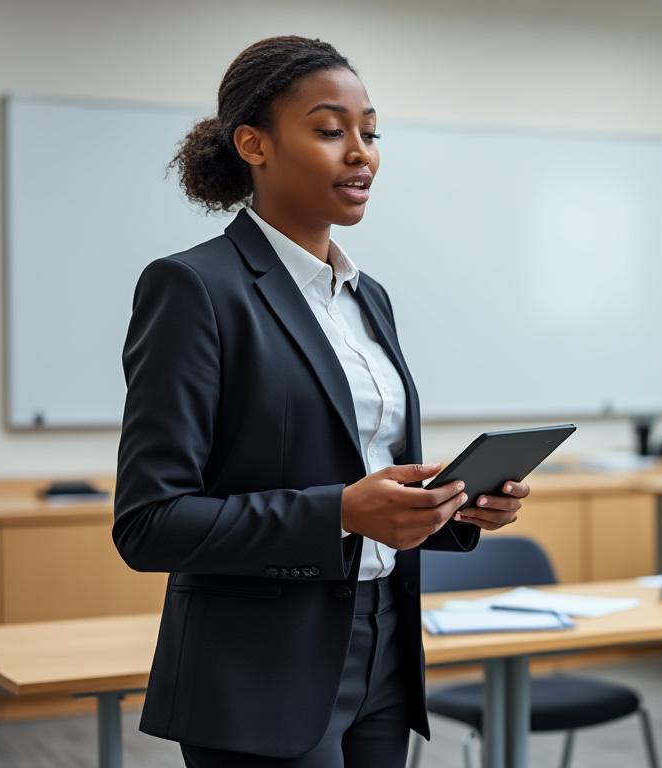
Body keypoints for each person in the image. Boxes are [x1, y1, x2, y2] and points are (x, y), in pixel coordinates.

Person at [112, 37, 530, 767]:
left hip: (383, 650)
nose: (361, 152)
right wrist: (338, 511)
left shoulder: (370, 299)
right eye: (332, 130)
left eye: (371, 132)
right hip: (258, 671)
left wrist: (453, 507)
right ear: (254, 144)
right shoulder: (194, 289)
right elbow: (150, 524)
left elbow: (372, 479)